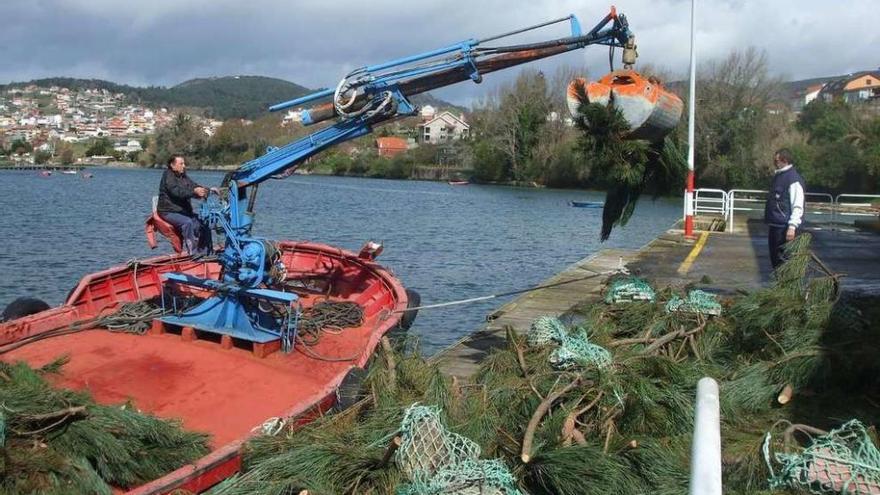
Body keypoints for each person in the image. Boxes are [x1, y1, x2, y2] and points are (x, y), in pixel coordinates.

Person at [157, 155, 213, 255]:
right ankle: (193, 253)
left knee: (204, 224)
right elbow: (176, 192)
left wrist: (207, 190)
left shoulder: (183, 176)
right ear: (172, 165)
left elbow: (193, 186)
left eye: (184, 163)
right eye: (181, 164)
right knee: (187, 223)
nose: (184, 166)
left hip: (181, 211)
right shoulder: (168, 176)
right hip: (168, 211)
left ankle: (206, 253)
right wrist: (194, 192)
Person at [764, 148, 805, 269]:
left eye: (776, 161)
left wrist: (792, 227)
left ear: (785, 160)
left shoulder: (793, 179)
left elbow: (797, 205)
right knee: (775, 259)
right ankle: (779, 285)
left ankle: (786, 285)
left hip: (784, 227)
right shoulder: (778, 176)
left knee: (784, 260)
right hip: (775, 225)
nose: (774, 163)